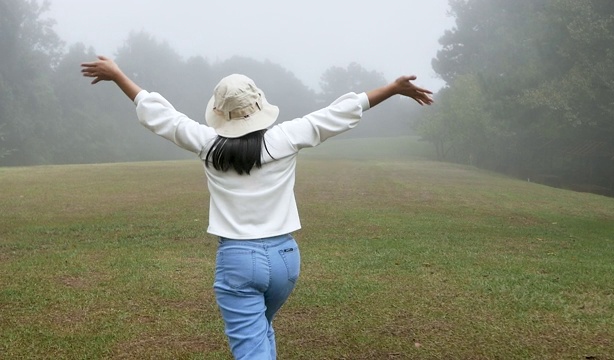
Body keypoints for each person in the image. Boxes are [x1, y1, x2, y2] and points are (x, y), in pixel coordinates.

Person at [81, 55, 433, 360]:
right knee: (260, 333)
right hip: (285, 257)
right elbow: (339, 112)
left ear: (220, 113)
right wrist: (392, 89)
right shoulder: (285, 137)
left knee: (252, 347)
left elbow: (161, 116)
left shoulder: (208, 144)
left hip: (238, 261)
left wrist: (118, 76)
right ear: (260, 106)